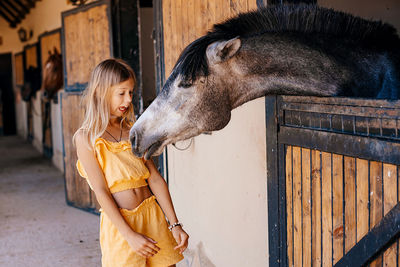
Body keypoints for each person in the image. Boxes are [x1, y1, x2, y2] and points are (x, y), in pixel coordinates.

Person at [73, 58, 188, 267]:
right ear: (100, 92)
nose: (127, 100)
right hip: (121, 226)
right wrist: (129, 235)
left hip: (152, 216)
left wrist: (175, 224)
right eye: (121, 93)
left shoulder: (133, 130)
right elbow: (101, 191)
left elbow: (154, 179)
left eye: (131, 93)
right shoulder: (86, 138)